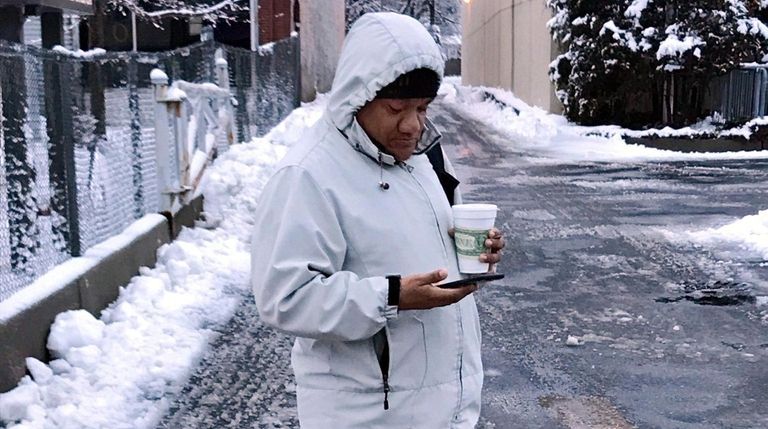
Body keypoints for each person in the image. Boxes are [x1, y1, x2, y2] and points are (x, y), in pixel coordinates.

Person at [251, 12, 505, 428]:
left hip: (442, 410)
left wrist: (477, 252)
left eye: (422, 108)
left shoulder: (422, 157)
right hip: (367, 416)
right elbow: (285, 297)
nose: (412, 125)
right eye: (396, 108)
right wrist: (391, 295)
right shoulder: (309, 174)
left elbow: (436, 246)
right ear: (358, 96)